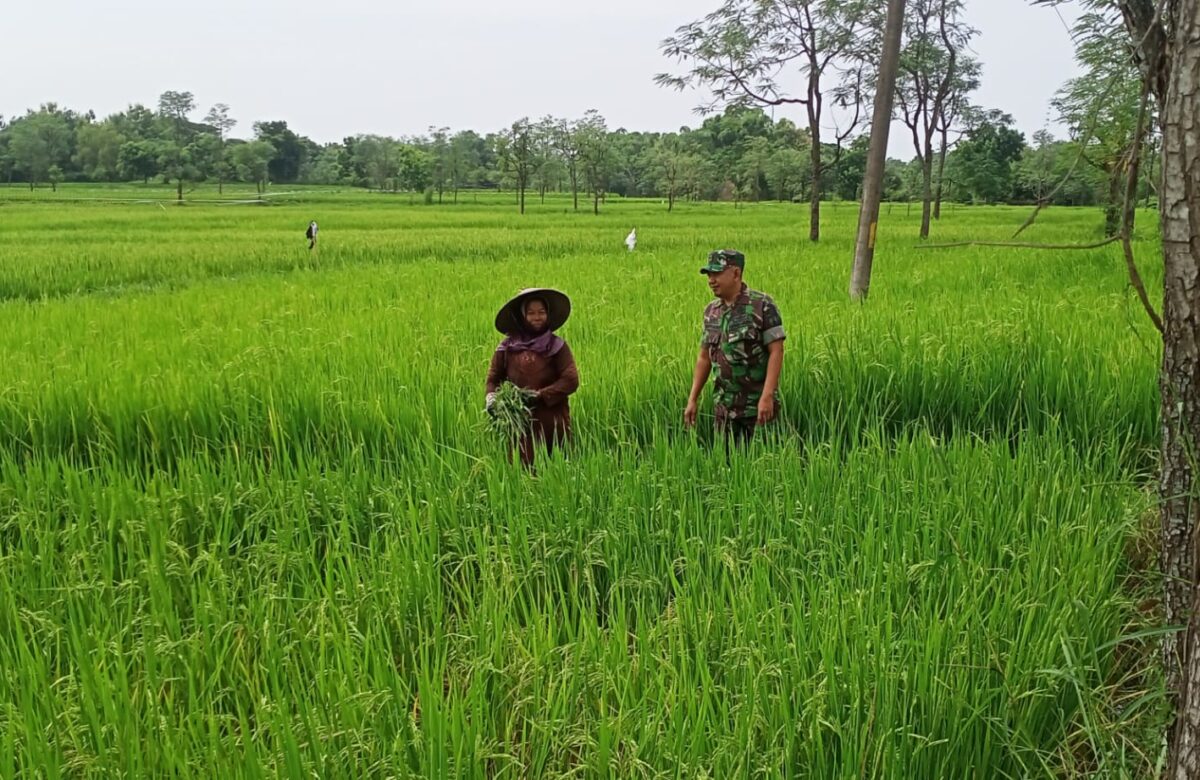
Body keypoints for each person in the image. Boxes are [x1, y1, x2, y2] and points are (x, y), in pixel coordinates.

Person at [683, 249, 785, 447]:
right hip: (724, 410)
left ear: (736, 273)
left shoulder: (761, 305)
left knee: (763, 465)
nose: (711, 280)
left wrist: (767, 396)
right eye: (709, 274)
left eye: (717, 273)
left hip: (757, 408)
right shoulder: (711, 312)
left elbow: (776, 351)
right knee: (728, 469)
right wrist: (693, 398)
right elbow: (704, 357)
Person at [486, 288, 580, 469]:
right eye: (531, 313)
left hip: (553, 421)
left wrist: (540, 395)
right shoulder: (506, 347)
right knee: (524, 470)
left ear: (548, 315)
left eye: (541, 312)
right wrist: (491, 398)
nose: (537, 317)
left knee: (557, 468)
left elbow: (571, 380)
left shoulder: (557, 346)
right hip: (521, 423)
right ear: (522, 317)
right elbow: (493, 379)